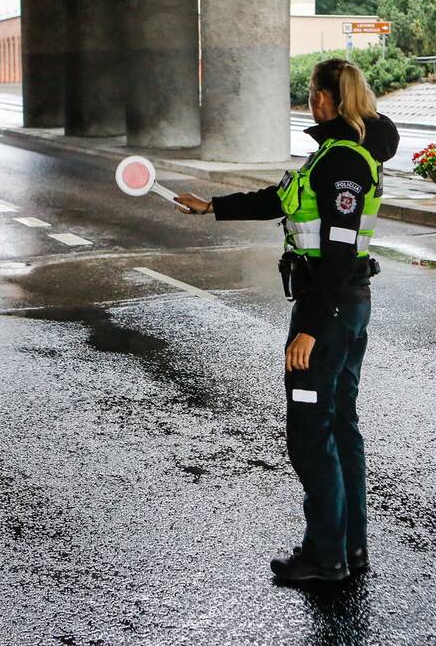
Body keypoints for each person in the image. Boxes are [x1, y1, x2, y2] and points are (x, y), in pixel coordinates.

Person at [175, 59, 399, 583]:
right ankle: (348, 548)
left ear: (326, 98)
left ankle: (326, 558)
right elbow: (282, 198)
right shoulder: (335, 155)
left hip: (331, 305)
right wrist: (212, 205)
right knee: (339, 424)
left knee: (311, 430)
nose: (308, 100)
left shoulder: (343, 161)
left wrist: (310, 328)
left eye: (313, 92)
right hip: (342, 302)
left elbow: (340, 252)